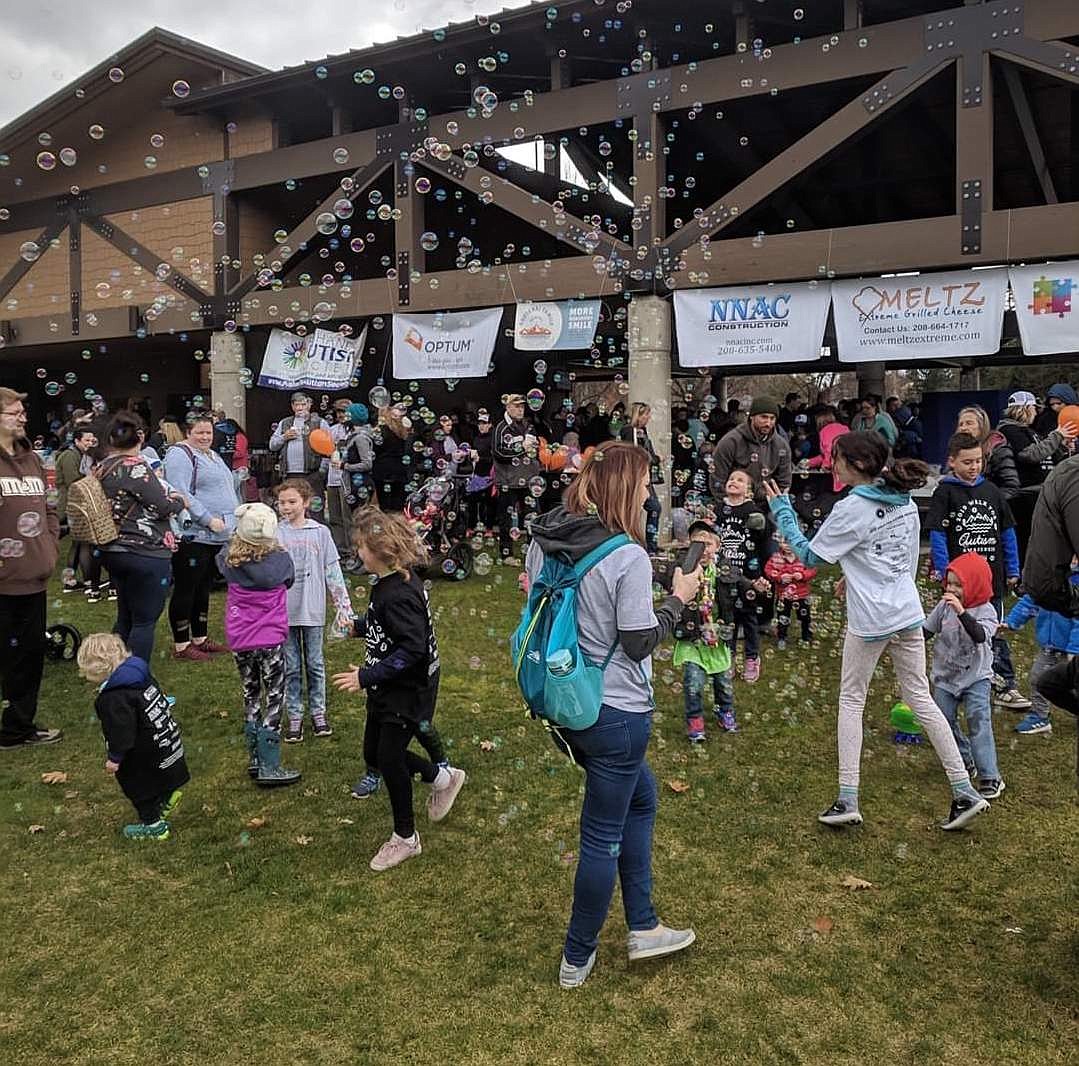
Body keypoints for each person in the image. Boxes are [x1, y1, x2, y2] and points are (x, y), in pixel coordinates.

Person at [526, 440, 699, 989]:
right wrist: (679, 600)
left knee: (641, 799)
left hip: (565, 704)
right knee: (602, 834)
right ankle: (577, 956)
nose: (649, 493)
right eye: (645, 483)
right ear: (625, 488)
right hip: (616, 714)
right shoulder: (625, 555)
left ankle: (644, 923)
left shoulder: (545, 542)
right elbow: (639, 641)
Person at [765, 431, 990, 831]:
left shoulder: (853, 507)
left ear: (858, 466)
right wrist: (853, 577)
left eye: (836, 459)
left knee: (852, 701)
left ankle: (847, 798)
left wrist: (782, 510)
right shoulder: (901, 498)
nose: (831, 465)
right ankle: (964, 790)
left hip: (871, 621)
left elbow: (811, 554)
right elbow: (894, 558)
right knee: (921, 697)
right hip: (906, 613)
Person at [331, 508, 466, 872]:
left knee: (389, 759)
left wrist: (365, 676)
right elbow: (387, 628)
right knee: (374, 756)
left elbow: (413, 649)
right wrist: (359, 628)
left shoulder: (399, 592)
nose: (358, 553)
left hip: (406, 690)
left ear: (381, 551)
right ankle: (443, 777)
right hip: (388, 685)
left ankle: (406, 838)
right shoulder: (388, 583)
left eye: (361, 547)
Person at [927, 432, 1025, 710]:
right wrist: (946, 573)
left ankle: (1003, 683)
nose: (973, 467)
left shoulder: (992, 491)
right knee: (956, 630)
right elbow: (937, 534)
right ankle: (956, 681)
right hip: (959, 583)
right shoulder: (945, 492)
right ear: (952, 462)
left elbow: (1007, 532)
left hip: (991, 580)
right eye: (967, 461)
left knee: (991, 631)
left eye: (978, 461)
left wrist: (1013, 569)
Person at [216, 503, 301, 788]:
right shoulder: (281, 561)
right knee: (275, 695)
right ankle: (270, 764)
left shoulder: (229, 559)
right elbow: (288, 581)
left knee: (250, 692)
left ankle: (254, 757)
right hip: (270, 639)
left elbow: (221, 556)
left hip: (240, 638)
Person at [77, 633, 189, 841]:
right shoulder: (138, 673)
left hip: (143, 752)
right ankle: (166, 795)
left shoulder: (113, 698)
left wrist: (115, 758)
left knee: (139, 788)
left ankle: (154, 827)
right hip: (164, 739)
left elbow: (122, 732)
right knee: (160, 773)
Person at [0, 388, 63, 750]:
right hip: (3, 583)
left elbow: (50, 508)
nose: (23, 417)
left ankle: (17, 728)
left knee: (28, 658)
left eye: (24, 411)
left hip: (34, 579)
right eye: (14, 412)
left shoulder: (33, 460)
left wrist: (50, 548)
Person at [98, 412, 187, 664]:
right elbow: (161, 506)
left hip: (113, 549)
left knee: (125, 615)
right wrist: (179, 501)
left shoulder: (101, 467)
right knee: (144, 620)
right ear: (139, 436)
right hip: (145, 551)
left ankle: (114, 670)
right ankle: (135, 681)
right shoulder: (136, 467)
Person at [274, 478, 354, 743]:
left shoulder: (320, 532)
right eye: (282, 502)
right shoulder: (275, 532)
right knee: (292, 666)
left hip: (312, 608)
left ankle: (319, 713)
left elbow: (332, 571)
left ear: (306, 502)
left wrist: (343, 606)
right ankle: (294, 716)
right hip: (284, 612)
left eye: (292, 501)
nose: (286, 507)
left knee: (315, 664)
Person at [924, 553, 1005, 800]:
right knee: (943, 720)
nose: (951, 589)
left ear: (975, 584)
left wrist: (961, 611)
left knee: (978, 721)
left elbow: (980, 635)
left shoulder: (987, 610)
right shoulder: (943, 607)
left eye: (958, 584)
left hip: (976, 677)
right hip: (945, 677)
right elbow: (926, 631)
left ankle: (990, 776)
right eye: (949, 583)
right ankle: (963, 760)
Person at [163, 415, 239, 662]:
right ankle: (182, 644)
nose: (206, 437)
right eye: (200, 433)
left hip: (215, 537)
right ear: (188, 432)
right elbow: (180, 492)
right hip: (193, 535)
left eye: (209, 432)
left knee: (203, 587)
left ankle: (200, 638)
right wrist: (207, 518)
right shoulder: (180, 455)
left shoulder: (212, 455)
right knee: (187, 588)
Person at [674, 521, 736, 742]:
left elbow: (740, 585)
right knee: (693, 682)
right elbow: (666, 579)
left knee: (724, 682)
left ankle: (725, 710)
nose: (703, 548)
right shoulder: (684, 571)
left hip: (717, 638)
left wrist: (756, 586)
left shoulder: (724, 571)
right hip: (693, 641)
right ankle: (695, 718)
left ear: (717, 547)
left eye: (708, 543)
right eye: (697, 543)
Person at [996, 390, 1077, 557]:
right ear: (1025, 408)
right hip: (1025, 496)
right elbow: (1030, 455)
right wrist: (1056, 436)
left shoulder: (1030, 431)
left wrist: (1062, 445)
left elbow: (1047, 456)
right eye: (1034, 408)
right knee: (1029, 542)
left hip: (1042, 492)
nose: (1036, 412)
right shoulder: (1009, 430)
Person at [1003, 561, 1079, 737]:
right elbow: (1029, 602)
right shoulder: (1047, 579)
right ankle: (1039, 716)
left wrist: (1074, 649)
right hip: (1050, 646)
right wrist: (1011, 622)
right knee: (1038, 678)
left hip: (1072, 650)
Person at [715, 469, 771, 683]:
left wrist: (760, 576)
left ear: (748, 490)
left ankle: (751, 657)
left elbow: (762, 541)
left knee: (748, 616)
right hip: (724, 574)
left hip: (748, 574)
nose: (734, 482)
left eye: (740, 480)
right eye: (731, 479)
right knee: (727, 617)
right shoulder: (720, 509)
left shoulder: (752, 511)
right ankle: (728, 656)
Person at [57, 426, 108, 599]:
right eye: (86, 440)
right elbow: (74, 481)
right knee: (83, 543)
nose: (89, 443)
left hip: (77, 504)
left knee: (78, 543)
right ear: (77, 440)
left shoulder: (83, 456)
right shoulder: (70, 456)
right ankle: (87, 581)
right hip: (73, 505)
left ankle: (71, 580)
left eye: (91, 440)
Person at [710, 396, 792, 505]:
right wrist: (730, 505)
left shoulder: (781, 445)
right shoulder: (731, 441)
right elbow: (717, 479)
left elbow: (784, 482)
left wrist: (776, 503)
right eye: (764, 417)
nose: (768, 423)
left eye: (772, 418)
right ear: (752, 416)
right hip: (734, 502)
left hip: (768, 503)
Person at [492, 393, 541, 557]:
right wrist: (521, 448)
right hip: (508, 481)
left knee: (533, 518)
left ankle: (533, 554)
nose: (520, 410)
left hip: (529, 480)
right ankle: (507, 555)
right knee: (506, 519)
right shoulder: (500, 428)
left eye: (522, 406)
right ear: (508, 407)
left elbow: (537, 449)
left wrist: (535, 447)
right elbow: (498, 453)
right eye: (517, 406)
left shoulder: (529, 426)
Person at [268, 392, 330, 502]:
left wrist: (322, 471)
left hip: (312, 473)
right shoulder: (285, 423)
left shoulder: (320, 422)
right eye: (296, 405)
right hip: (289, 473)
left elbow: (328, 448)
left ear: (309, 405)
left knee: (313, 505)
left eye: (303, 404)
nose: (300, 408)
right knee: (292, 504)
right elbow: (272, 445)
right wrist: (284, 437)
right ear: (292, 406)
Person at [620, 402, 663, 553]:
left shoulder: (642, 431)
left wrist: (655, 459)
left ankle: (650, 544)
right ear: (638, 415)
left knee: (654, 508)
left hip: (644, 477)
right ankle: (637, 543)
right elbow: (634, 454)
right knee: (636, 510)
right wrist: (654, 459)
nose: (648, 418)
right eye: (646, 414)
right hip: (634, 478)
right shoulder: (629, 430)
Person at [955, 406, 1020, 499]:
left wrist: (988, 501)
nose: (964, 428)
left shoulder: (998, 449)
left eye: (969, 423)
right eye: (961, 424)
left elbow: (1011, 487)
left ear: (982, 426)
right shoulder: (957, 450)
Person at [766, 537, 816, 649]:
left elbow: (812, 570)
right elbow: (768, 570)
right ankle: (781, 637)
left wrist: (802, 575)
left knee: (805, 618)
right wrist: (780, 577)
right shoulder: (776, 558)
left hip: (801, 595)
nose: (787, 545)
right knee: (782, 617)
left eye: (790, 542)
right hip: (783, 595)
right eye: (784, 542)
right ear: (780, 543)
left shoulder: (803, 557)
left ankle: (806, 636)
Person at [371, 404, 412, 513]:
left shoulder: (380, 431)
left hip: (382, 472)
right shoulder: (400, 431)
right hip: (399, 471)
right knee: (397, 506)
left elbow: (375, 451)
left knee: (385, 506)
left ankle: (387, 527)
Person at [805, 406, 849, 493]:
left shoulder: (825, 431)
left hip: (839, 473)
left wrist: (825, 465)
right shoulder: (844, 428)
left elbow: (829, 451)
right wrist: (809, 462)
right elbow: (824, 455)